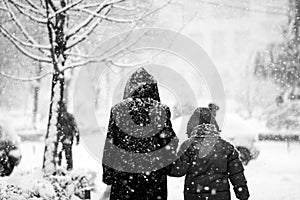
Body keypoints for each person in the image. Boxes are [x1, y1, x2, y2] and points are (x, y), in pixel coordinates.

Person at [102, 67, 178, 200]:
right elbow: (170, 143)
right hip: (154, 178)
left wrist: (108, 175)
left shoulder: (118, 110)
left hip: (124, 177)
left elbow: (110, 145)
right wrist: (166, 167)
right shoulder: (161, 110)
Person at [169, 105, 250, 200]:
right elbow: (237, 174)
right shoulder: (227, 148)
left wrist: (166, 157)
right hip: (220, 196)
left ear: (192, 126)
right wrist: (242, 193)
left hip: (195, 196)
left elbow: (178, 170)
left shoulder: (188, 146)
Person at [57, 101, 80, 171]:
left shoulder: (57, 117)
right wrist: (77, 137)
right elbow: (75, 127)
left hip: (61, 138)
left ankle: (59, 168)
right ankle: (69, 169)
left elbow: (75, 127)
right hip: (67, 138)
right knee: (68, 154)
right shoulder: (68, 116)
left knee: (60, 154)